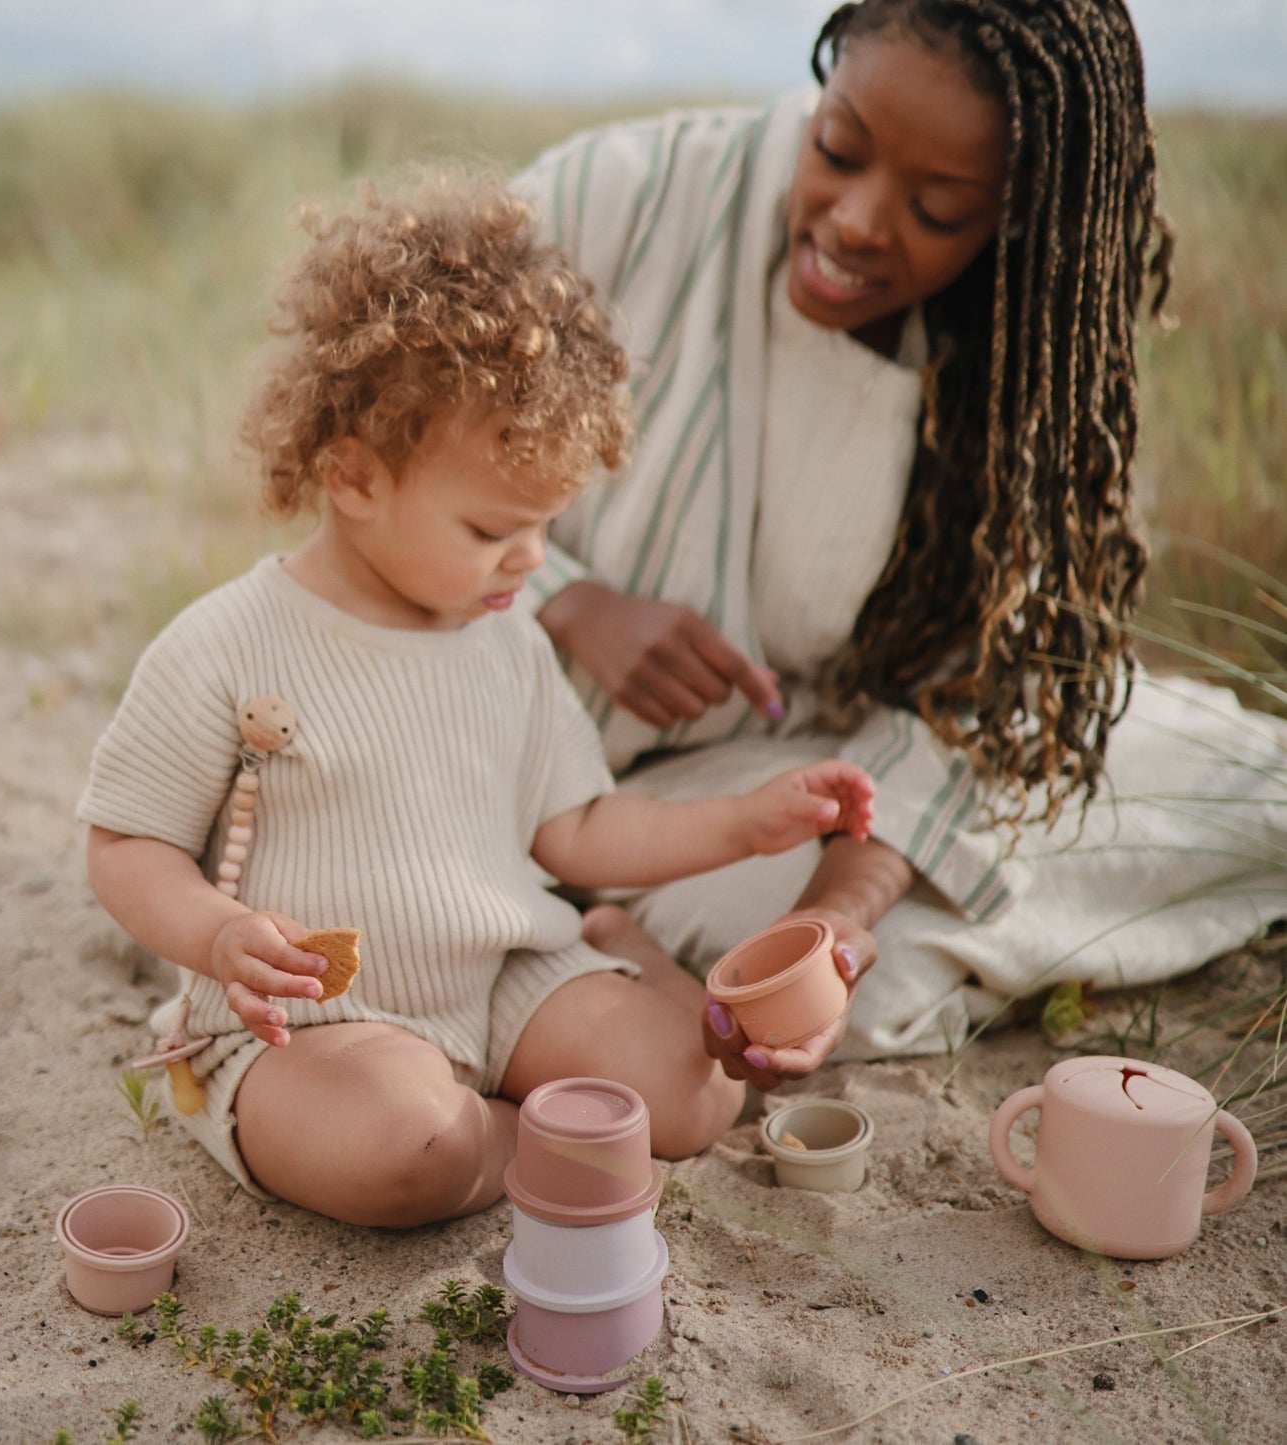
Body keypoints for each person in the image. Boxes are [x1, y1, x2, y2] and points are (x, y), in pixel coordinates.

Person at [511, 0, 1287, 1088]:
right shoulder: (610, 199)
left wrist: (838, 914)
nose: (860, 221)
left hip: (767, 773)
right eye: (835, 151)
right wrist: (565, 597)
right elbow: (368, 452)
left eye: (936, 206)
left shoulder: (1021, 370)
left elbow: (979, 694)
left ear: (1015, 220)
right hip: (511, 758)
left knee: (858, 974)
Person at [77, 176, 877, 1228]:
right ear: (353, 476)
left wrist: (745, 822)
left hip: (502, 976)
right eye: (491, 530)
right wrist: (218, 934)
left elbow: (579, 825)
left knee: (695, 1095)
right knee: (402, 1150)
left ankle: (543, 1090)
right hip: (312, 1019)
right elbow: (126, 845)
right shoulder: (228, 642)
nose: (531, 561)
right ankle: (512, 1131)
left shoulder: (506, 642)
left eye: (546, 527)